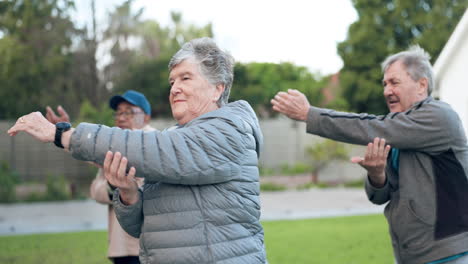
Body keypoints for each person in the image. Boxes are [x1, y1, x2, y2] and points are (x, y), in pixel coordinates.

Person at [8, 37, 267, 264]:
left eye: (185, 78)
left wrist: (62, 134)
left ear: (217, 88)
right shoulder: (174, 139)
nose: (174, 88)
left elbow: (152, 149)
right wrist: (129, 194)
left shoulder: (230, 131)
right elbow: (141, 228)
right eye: (172, 81)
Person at [271, 46, 468, 264]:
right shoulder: (401, 130)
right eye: (384, 84)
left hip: (449, 254)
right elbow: (379, 196)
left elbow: (371, 126)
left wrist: (310, 114)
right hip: (411, 256)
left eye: (394, 82)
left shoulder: (439, 116)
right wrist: (377, 175)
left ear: (422, 85)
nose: (386, 91)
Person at [46, 90, 155, 264]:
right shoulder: (110, 150)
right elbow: (96, 191)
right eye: (118, 112)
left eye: (128, 111)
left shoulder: (153, 140)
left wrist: (63, 135)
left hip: (149, 247)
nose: (121, 117)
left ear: (147, 117)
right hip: (122, 248)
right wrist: (114, 188)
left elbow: (104, 152)